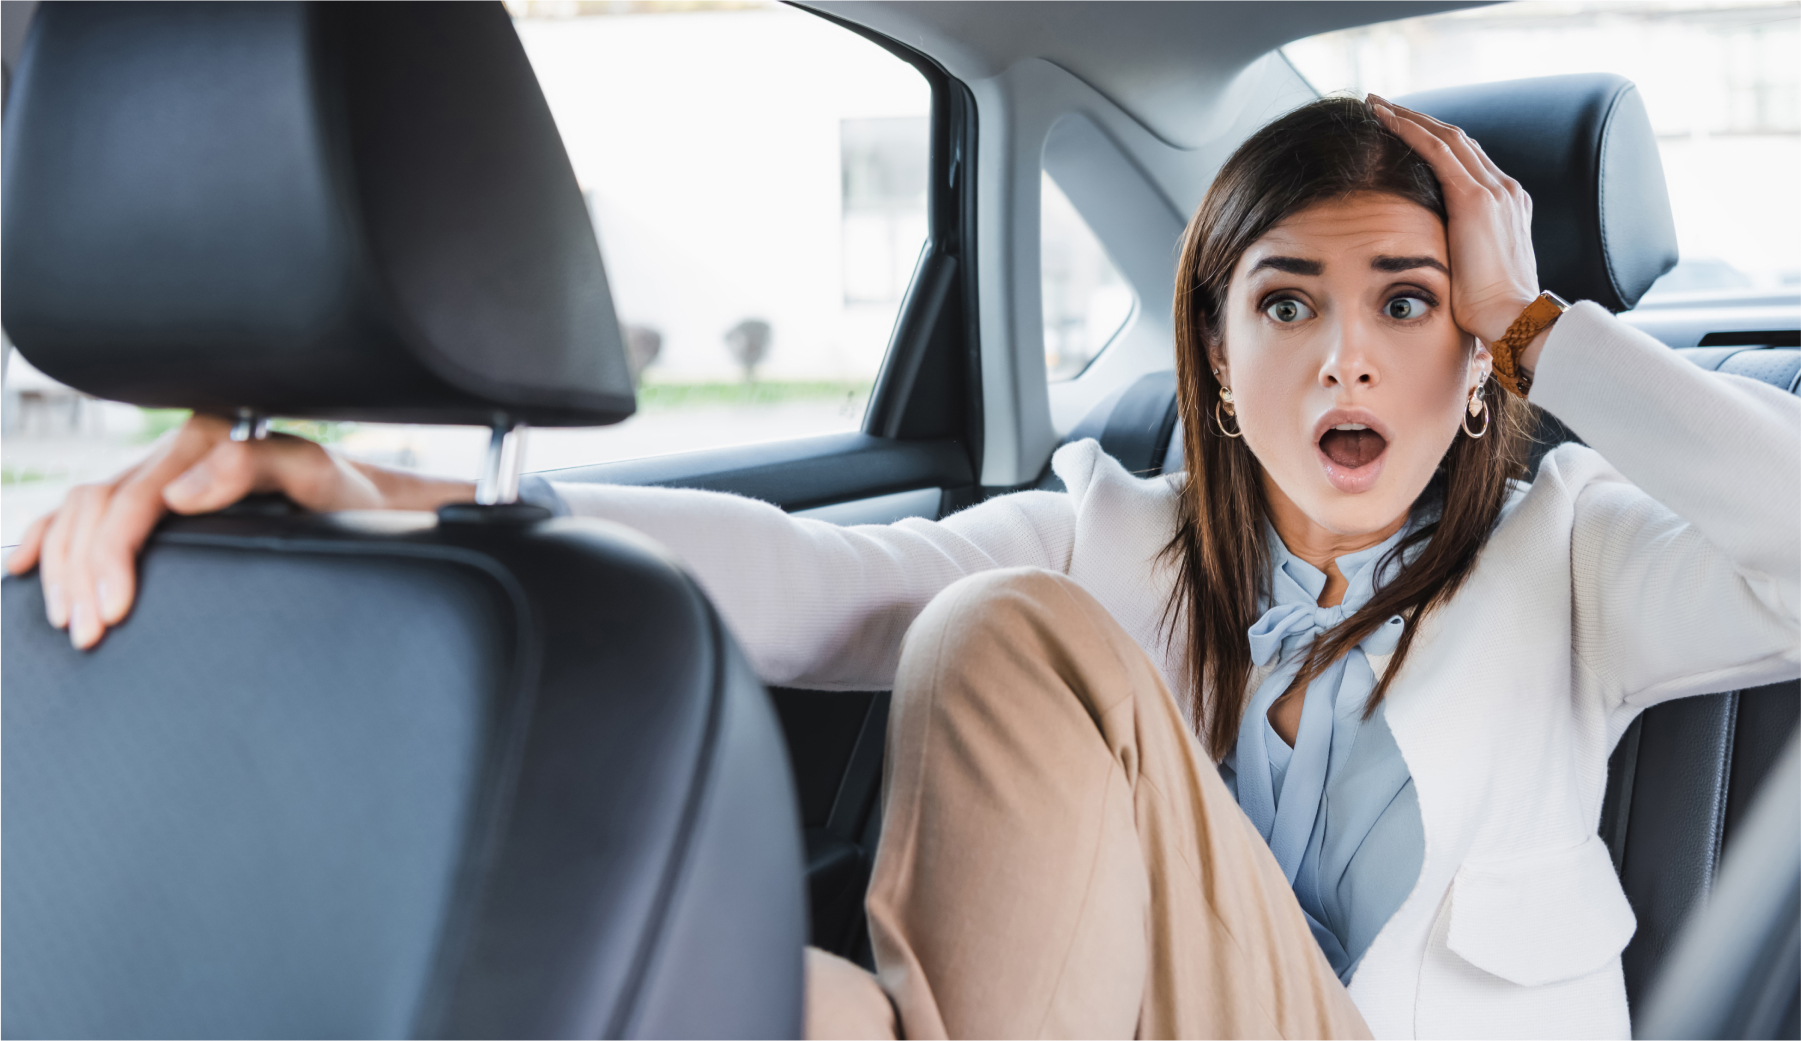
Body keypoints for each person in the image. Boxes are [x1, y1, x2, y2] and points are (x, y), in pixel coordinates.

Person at [10, 96, 1798, 1040]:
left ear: (1469, 349)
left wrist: (1544, 322)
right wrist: (360, 490)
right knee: (661, 973)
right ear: (1218, 357)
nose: (1346, 360)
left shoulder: (1573, 561)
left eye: (1408, 305)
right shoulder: (1111, 536)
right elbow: (787, 582)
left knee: (1001, 628)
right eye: (1288, 303)